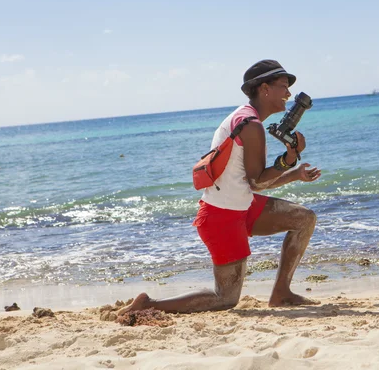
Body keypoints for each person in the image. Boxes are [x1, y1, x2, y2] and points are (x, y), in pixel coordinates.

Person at [118, 59, 321, 315]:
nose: (289, 94)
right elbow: (257, 181)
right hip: (221, 217)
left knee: (304, 219)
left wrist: (293, 172)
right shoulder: (251, 125)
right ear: (265, 89)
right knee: (225, 298)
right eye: (283, 86)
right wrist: (288, 160)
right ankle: (149, 304)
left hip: (242, 206)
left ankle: (281, 293)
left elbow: (250, 184)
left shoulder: (245, 118)